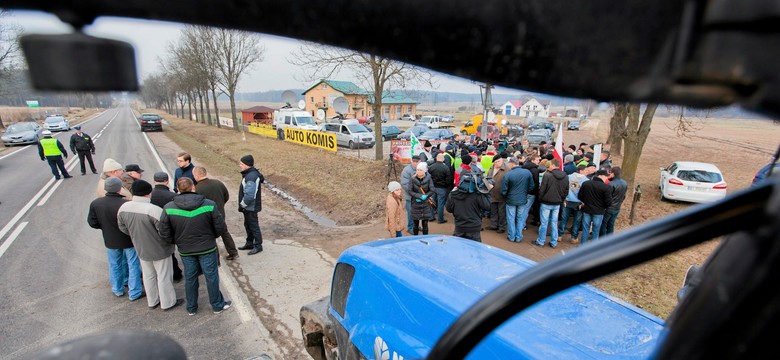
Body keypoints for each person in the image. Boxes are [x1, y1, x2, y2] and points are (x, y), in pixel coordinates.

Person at [159, 178, 231, 316]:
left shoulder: (169, 208)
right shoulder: (209, 204)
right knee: (211, 277)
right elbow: (220, 226)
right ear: (193, 187)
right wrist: (212, 237)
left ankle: (191, 307)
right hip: (207, 248)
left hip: (185, 250)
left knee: (190, 278)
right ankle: (217, 305)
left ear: (178, 189)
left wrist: (177, 241)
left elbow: (164, 231)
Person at [117, 180, 183, 311]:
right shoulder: (154, 210)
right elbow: (165, 231)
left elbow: (123, 228)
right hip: (160, 249)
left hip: (141, 247)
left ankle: (152, 301)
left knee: (148, 275)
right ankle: (167, 302)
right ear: (148, 193)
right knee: (164, 276)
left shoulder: (123, 208)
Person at [87, 177, 144, 301]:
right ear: (119, 189)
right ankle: (134, 291)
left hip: (110, 240)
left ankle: (117, 289)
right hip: (128, 239)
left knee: (114, 264)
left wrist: (105, 227)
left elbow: (92, 222)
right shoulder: (126, 204)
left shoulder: (96, 203)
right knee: (133, 264)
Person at [193, 166, 239, 260]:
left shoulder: (197, 189)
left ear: (197, 176)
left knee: (210, 236)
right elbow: (226, 196)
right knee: (224, 233)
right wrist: (221, 204)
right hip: (220, 213)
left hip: (207, 217)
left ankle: (215, 258)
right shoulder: (218, 183)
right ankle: (233, 252)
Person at [150, 171, 183, 282]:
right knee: (171, 250)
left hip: (154, 226)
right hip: (172, 226)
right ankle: (176, 272)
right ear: (167, 181)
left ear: (154, 181)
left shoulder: (150, 195)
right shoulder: (172, 196)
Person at [447, 166, 492, 242]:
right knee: (474, 251)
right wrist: (487, 191)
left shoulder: (453, 194)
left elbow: (448, 209)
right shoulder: (477, 194)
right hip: (474, 227)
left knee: (459, 250)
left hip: (459, 226)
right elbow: (488, 206)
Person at [534, 158, 569, 248]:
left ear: (553, 165)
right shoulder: (565, 175)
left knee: (544, 223)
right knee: (554, 223)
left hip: (546, 202)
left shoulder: (547, 175)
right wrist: (561, 199)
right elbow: (566, 190)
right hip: (557, 203)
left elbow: (542, 189)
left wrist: (541, 199)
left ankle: (541, 241)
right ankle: (554, 242)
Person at [501, 157, 534, 242]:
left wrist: (506, 196)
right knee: (520, 218)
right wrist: (525, 192)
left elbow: (504, 190)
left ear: (511, 164)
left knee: (511, 218)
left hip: (511, 200)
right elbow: (531, 186)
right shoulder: (527, 172)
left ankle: (511, 236)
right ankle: (518, 236)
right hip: (522, 199)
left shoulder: (508, 175)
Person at [237, 154, 265, 255]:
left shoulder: (251, 176)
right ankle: (249, 243)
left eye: (241, 163)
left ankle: (258, 246)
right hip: (249, 207)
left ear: (246, 165)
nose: (240, 165)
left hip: (250, 207)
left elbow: (249, 195)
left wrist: (242, 205)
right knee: (248, 225)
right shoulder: (250, 174)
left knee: (253, 226)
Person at [578, 169, 612, 245]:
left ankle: (583, 246)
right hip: (599, 211)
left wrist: (586, 202)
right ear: (601, 176)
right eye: (606, 176)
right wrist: (604, 206)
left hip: (587, 209)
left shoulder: (586, 184)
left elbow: (580, 196)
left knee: (585, 229)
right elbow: (608, 202)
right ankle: (593, 247)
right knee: (596, 230)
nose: (606, 178)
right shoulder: (605, 187)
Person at [559, 165, 589, 244]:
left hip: (567, 200)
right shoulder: (586, 180)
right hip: (578, 203)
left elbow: (563, 188)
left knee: (564, 219)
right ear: (580, 171)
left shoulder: (568, 177)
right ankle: (574, 237)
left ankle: (559, 235)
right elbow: (586, 193)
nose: (587, 172)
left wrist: (564, 198)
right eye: (586, 170)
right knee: (577, 221)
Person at [600, 166, 628, 236]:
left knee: (603, 224)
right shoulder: (624, 183)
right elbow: (624, 196)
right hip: (617, 207)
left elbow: (607, 197)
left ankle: (602, 239)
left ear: (613, 173)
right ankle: (610, 239)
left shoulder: (611, 184)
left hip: (609, 208)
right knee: (611, 224)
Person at [409, 162, 435, 235]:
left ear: (424, 171)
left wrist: (426, 196)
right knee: (415, 225)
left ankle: (425, 238)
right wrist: (419, 196)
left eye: (421, 170)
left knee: (425, 225)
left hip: (425, 204)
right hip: (415, 204)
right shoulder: (412, 178)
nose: (419, 171)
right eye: (418, 170)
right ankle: (416, 238)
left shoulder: (429, 179)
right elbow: (410, 191)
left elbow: (432, 190)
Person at [400, 155, 421, 234]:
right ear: (411, 161)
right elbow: (404, 184)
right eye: (414, 162)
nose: (415, 163)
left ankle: (416, 225)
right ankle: (410, 227)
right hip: (410, 197)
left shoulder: (421, 169)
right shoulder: (406, 170)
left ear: (420, 161)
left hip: (419, 196)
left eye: (417, 162)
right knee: (411, 213)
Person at [428, 153, 451, 223]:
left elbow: (428, 177)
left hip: (432, 187)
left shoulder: (431, 167)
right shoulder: (445, 168)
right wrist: (446, 186)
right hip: (442, 188)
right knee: (440, 203)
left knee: (432, 202)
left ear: (436, 158)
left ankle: (431, 217)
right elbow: (448, 179)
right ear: (443, 159)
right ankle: (440, 219)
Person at [487, 155, 508, 233]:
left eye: (498, 161)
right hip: (492, 193)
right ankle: (494, 225)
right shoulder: (491, 168)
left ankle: (501, 227)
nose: (497, 163)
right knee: (493, 211)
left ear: (502, 160)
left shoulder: (507, 169)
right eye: (495, 162)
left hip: (501, 194)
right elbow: (488, 178)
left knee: (502, 212)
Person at [521, 154, 541, 226]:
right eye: (537, 160)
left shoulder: (523, 168)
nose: (538, 161)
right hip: (531, 192)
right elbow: (536, 182)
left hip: (523, 190)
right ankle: (522, 224)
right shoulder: (535, 170)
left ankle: (520, 223)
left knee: (522, 208)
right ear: (532, 160)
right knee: (526, 209)